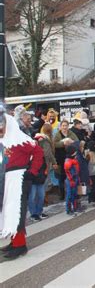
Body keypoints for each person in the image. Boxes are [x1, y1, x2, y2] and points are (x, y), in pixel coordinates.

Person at [0, 104, 44, 259]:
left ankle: (20, 245)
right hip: (11, 177)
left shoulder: (21, 139)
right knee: (10, 209)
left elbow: (38, 151)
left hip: (20, 176)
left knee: (17, 210)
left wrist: (32, 172)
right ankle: (15, 240)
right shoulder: (9, 140)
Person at [54, 120, 79, 200]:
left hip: (71, 158)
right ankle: (62, 194)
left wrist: (71, 142)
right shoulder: (57, 135)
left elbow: (77, 142)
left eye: (66, 126)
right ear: (60, 126)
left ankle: (74, 193)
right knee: (62, 177)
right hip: (61, 158)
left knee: (72, 175)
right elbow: (54, 144)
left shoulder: (71, 133)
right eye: (63, 126)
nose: (65, 127)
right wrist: (63, 143)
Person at [64, 145, 80, 215]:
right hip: (71, 179)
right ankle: (69, 209)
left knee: (74, 194)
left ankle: (75, 207)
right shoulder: (69, 161)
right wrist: (71, 180)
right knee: (69, 195)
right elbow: (68, 172)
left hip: (74, 178)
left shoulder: (72, 160)